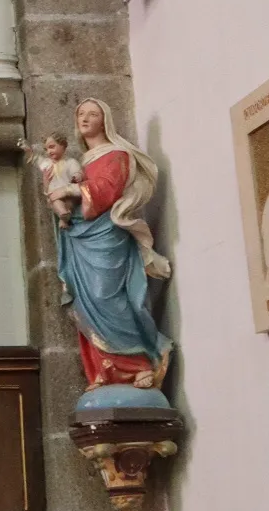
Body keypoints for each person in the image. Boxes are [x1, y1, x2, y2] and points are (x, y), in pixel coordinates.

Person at [53, 98, 172, 390]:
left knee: (107, 297)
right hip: (80, 238)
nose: (85, 118)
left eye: (92, 114)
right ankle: (104, 371)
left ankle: (140, 363)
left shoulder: (116, 154)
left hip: (106, 235)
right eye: (81, 113)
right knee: (86, 300)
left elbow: (107, 190)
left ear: (104, 120)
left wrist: (70, 189)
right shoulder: (79, 162)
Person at [29, 132, 85, 225]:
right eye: (46, 149)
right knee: (55, 201)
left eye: (52, 147)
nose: (49, 152)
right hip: (54, 195)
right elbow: (36, 159)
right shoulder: (47, 163)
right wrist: (29, 151)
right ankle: (63, 216)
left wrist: (77, 176)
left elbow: (77, 172)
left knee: (69, 203)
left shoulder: (70, 162)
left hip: (69, 193)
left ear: (63, 145)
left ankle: (64, 218)